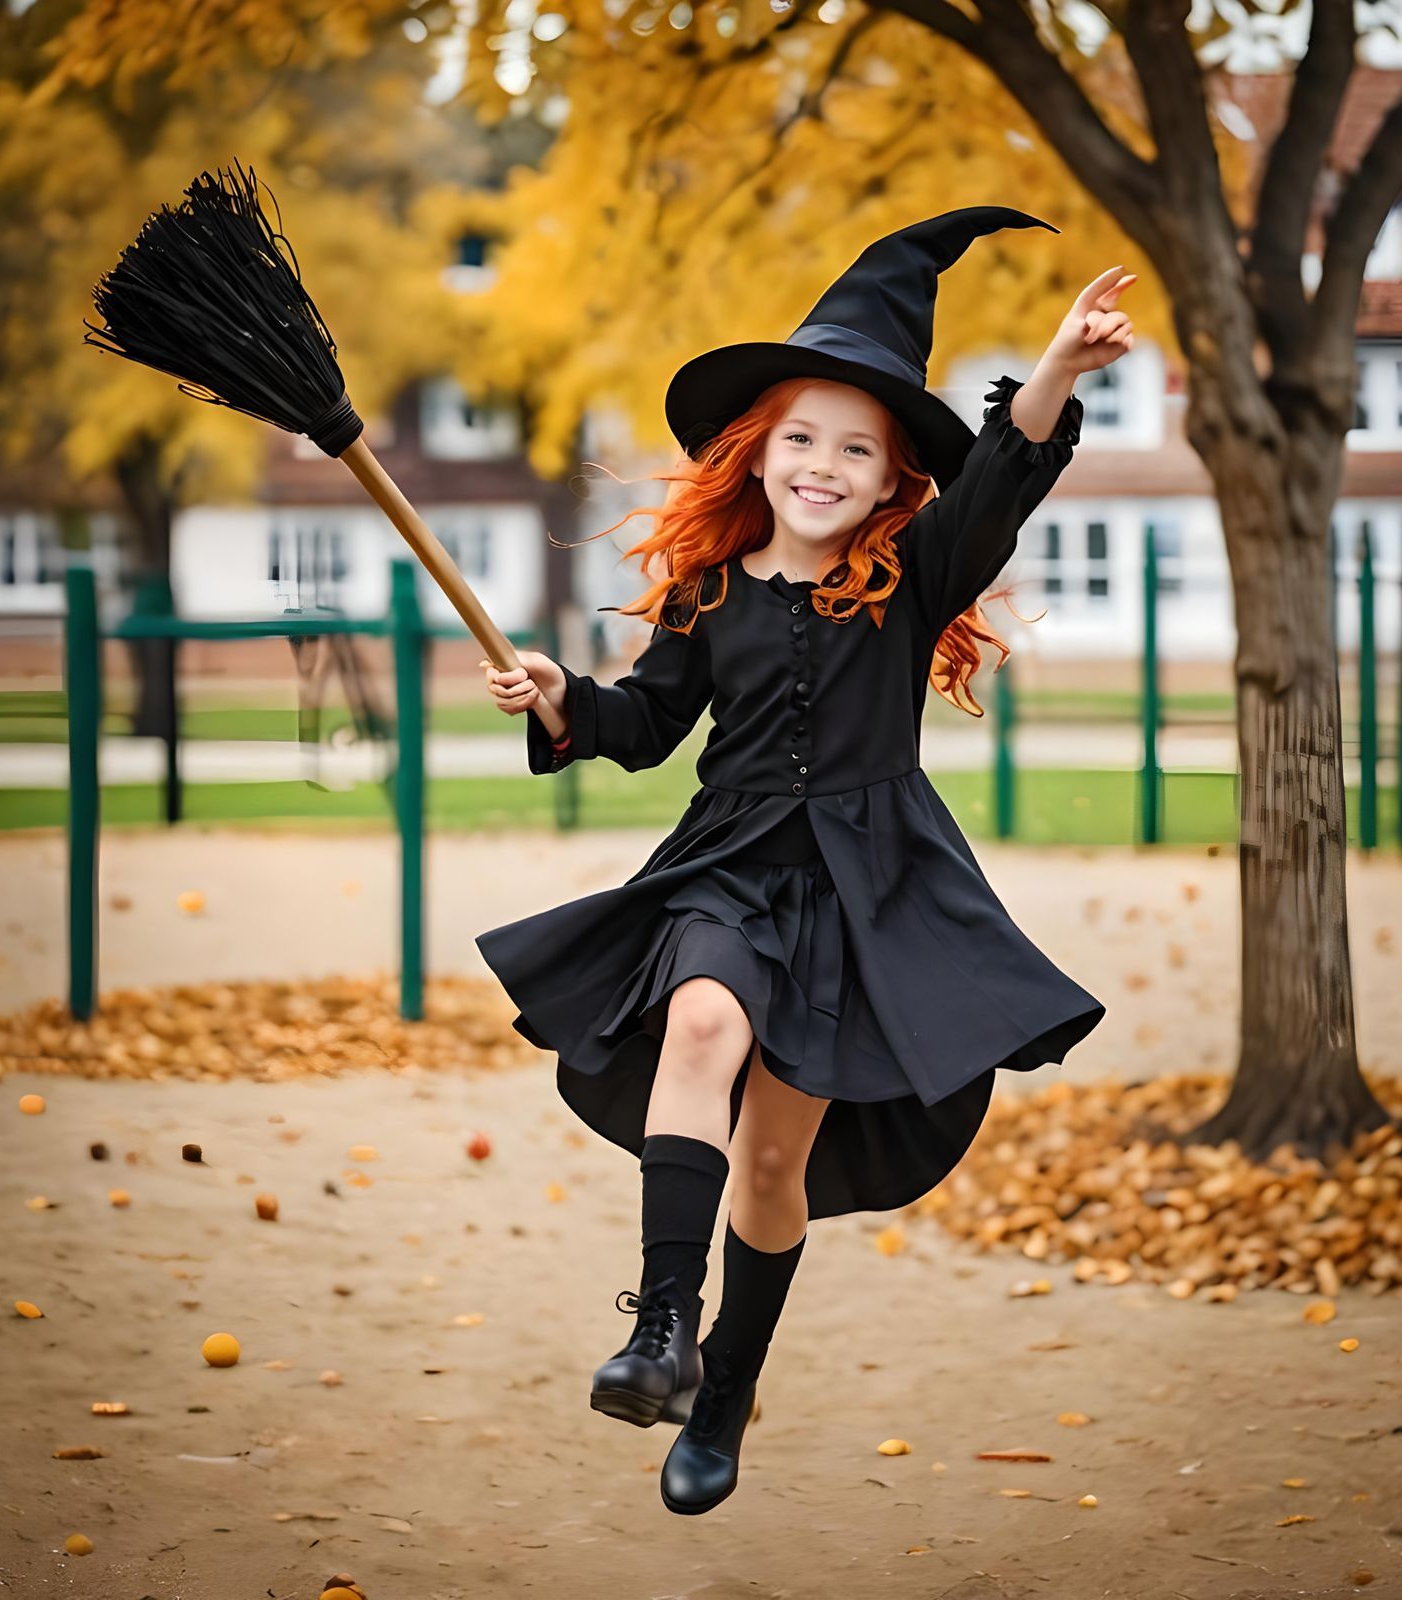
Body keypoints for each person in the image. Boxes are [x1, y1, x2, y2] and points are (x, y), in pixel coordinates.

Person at [475, 206, 1127, 1516]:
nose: (823, 462)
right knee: (700, 1023)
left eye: (856, 446)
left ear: (893, 479)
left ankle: (723, 1388)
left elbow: (1001, 480)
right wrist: (558, 697)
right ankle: (661, 1328)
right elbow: (646, 723)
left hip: (863, 899)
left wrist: (1053, 371)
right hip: (726, 870)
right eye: (800, 437)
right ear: (758, 453)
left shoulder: (912, 578)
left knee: (775, 1169)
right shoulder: (710, 590)